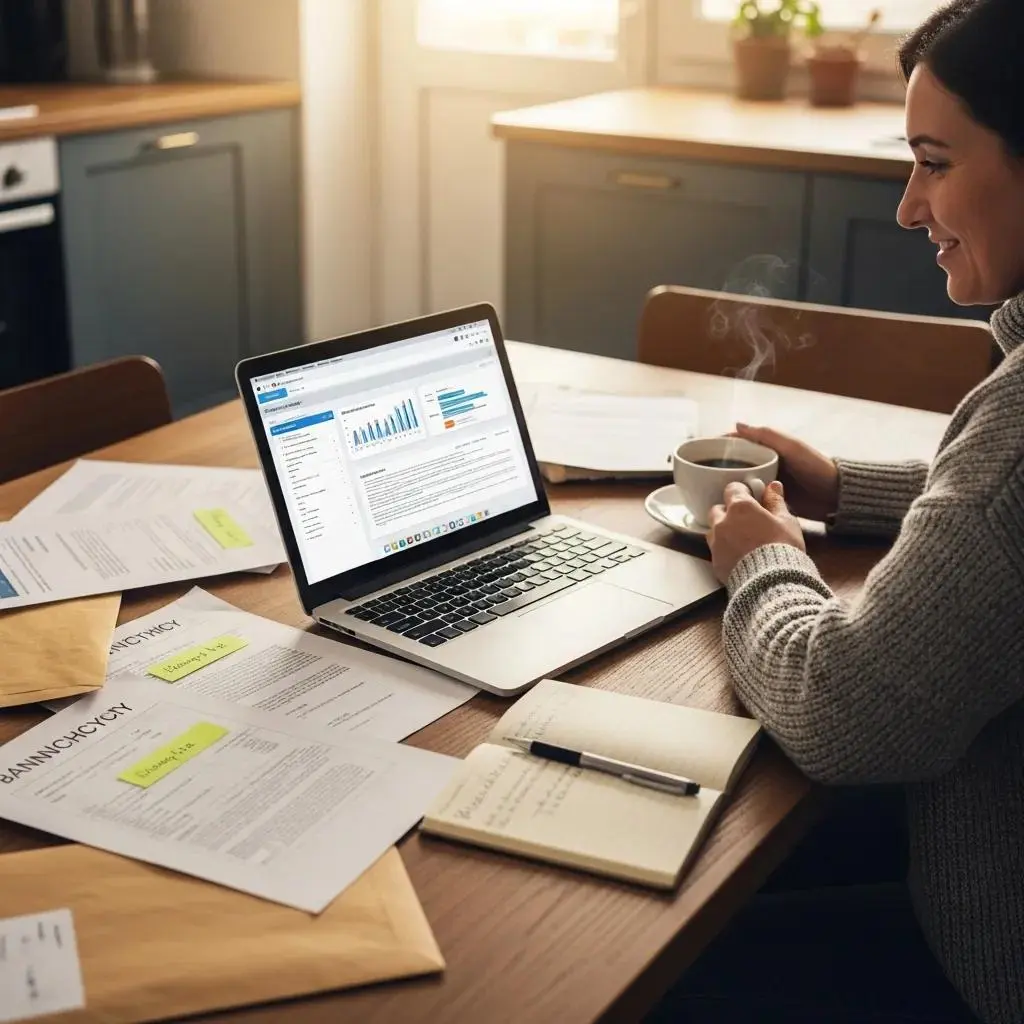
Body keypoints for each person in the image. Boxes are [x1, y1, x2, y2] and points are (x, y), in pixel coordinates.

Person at [649, 1, 1024, 1022]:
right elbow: (998, 533)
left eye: (935, 162)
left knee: (639, 955)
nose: (908, 208)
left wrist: (763, 562)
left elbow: (845, 714)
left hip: (988, 963)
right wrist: (850, 489)